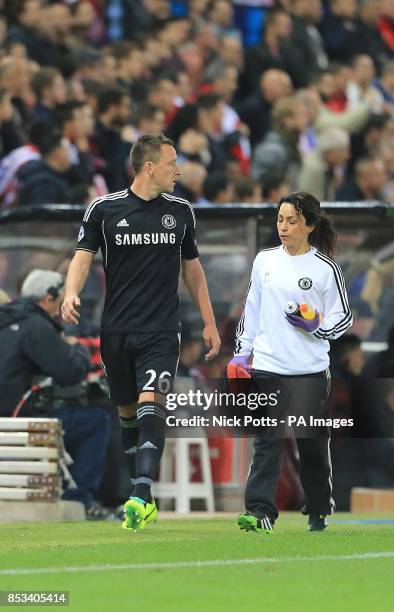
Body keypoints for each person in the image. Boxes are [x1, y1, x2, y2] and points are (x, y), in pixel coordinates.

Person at [61, 132, 221, 532]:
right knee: (128, 415)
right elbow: (82, 259)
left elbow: (193, 270)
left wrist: (209, 319)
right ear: (149, 167)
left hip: (162, 330)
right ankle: (141, 493)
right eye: (171, 164)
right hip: (115, 330)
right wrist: (69, 293)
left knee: (152, 405)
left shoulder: (181, 211)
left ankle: (141, 493)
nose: (177, 171)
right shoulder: (103, 209)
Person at [229, 191, 352, 533]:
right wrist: (242, 351)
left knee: (311, 445)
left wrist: (318, 327)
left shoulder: (326, 269)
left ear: (309, 225)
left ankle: (318, 510)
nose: (283, 226)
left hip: (310, 370)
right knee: (266, 440)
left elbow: (343, 318)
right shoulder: (265, 261)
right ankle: (259, 511)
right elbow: (251, 309)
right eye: (280, 219)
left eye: (292, 220)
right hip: (268, 366)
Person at [0, 269, 111, 518]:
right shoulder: (36, 325)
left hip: (5, 420)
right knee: (97, 420)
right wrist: (78, 349)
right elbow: (71, 372)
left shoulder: (7, 319)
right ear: (48, 299)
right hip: (23, 421)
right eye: (61, 301)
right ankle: (78, 499)